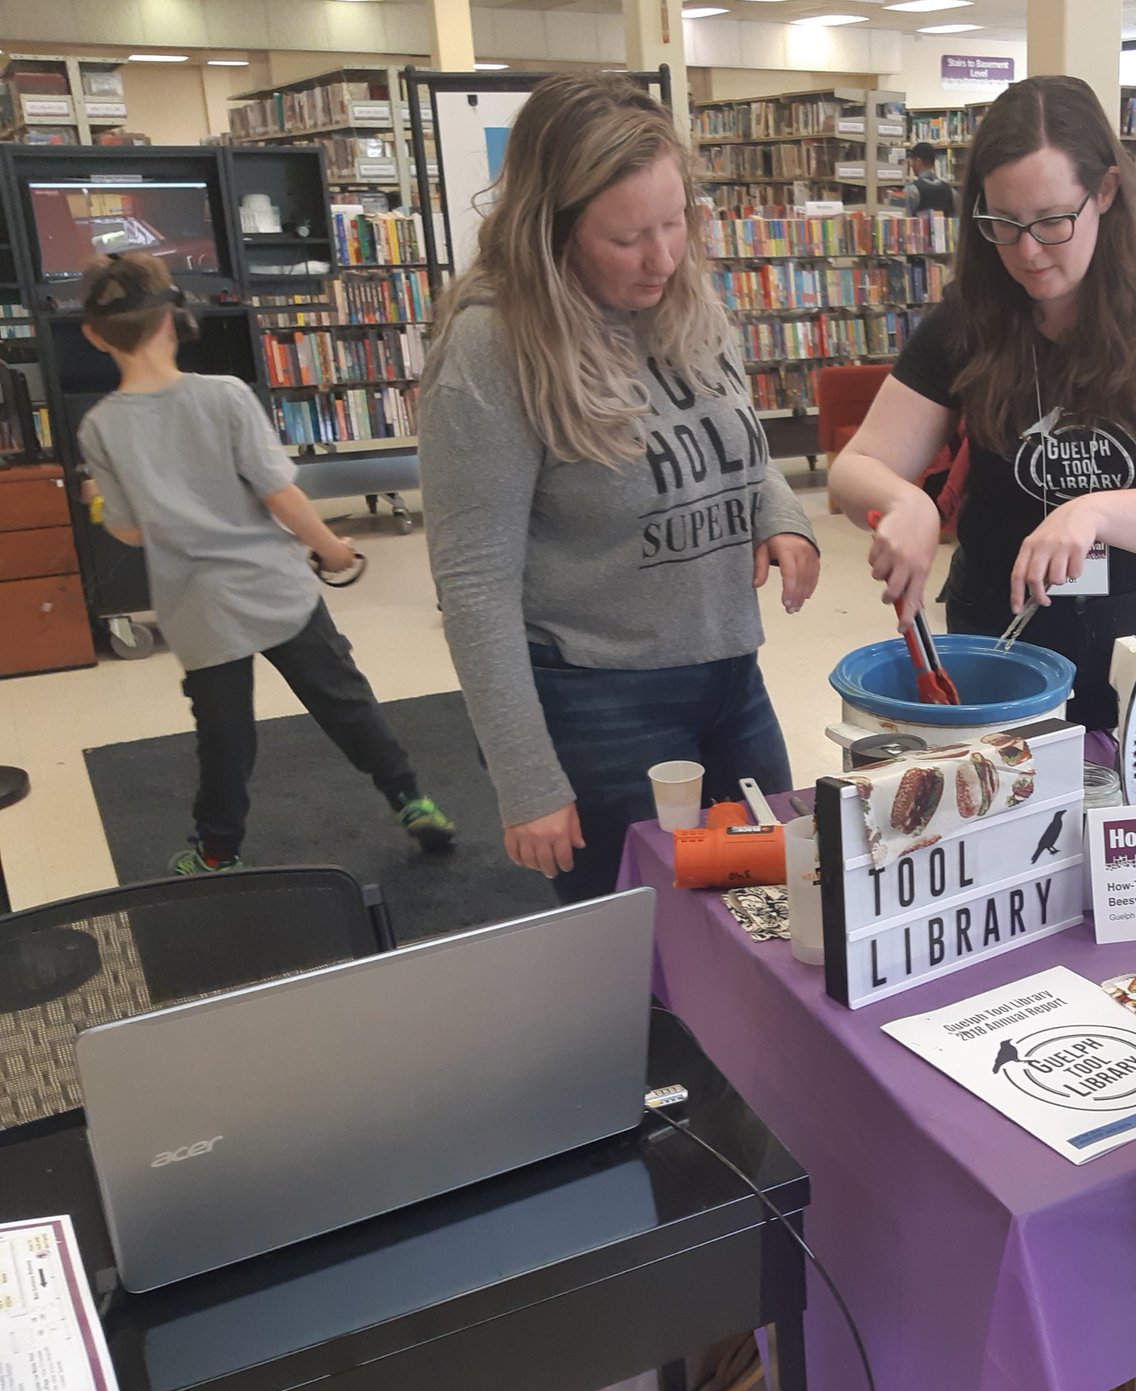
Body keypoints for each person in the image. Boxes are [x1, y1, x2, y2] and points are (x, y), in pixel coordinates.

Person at [420, 73, 819, 904]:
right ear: (553, 230)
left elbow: (734, 441)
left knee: (767, 906)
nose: (662, 258)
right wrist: (526, 779)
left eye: (675, 223)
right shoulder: (494, 345)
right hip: (600, 700)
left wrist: (779, 515)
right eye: (628, 237)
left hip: (729, 674)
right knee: (648, 937)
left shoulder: (684, 297)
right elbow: (474, 586)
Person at [829, 75, 1136, 730]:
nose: (1027, 252)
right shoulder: (969, 317)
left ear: (1104, 191)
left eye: (1052, 221)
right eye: (1003, 222)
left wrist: (1092, 512)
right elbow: (855, 467)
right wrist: (907, 504)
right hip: (1005, 641)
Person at [76, 252, 455, 875]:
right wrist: (332, 548)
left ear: (93, 336)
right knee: (343, 700)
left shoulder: (99, 428)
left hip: (197, 609)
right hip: (276, 589)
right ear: (175, 319)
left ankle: (217, 850)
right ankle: (409, 799)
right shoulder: (225, 396)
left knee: (224, 737)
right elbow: (279, 494)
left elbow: (129, 531)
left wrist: (96, 501)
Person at [900, 142, 957, 218]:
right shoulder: (951, 191)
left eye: (912, 162)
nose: (912, 165)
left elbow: (902, 218)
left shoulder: (911, 190)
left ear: (918, 161)